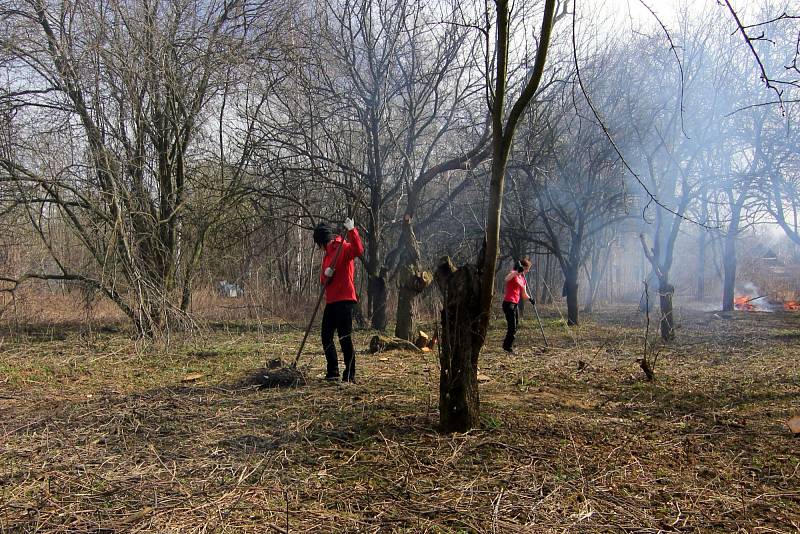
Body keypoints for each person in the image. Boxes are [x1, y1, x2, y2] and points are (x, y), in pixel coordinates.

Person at [313, 217, 364, 382]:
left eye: (318, 245)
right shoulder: (327, 255)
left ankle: (350, 375)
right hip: (331, 301)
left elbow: (358, 250)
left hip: (345, 300)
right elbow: (323, 280)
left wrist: (352, 230)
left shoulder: (342, 247)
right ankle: (333, 372)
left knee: (344, 337)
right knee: (326, 336)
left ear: (321, 242)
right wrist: (325, 275)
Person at [502, 257, 533, 353]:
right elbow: (506, 279)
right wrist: (516, 272)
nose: (527, 271)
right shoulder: (513, 273)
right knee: (512, 326)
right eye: (527, 269)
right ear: (523, 267)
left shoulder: (523, 279)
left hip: (515, 303)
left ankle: (507, 345)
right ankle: (508, 346)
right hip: (508, 303)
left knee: (516, 325)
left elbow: (524, 294)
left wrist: (530, 299)